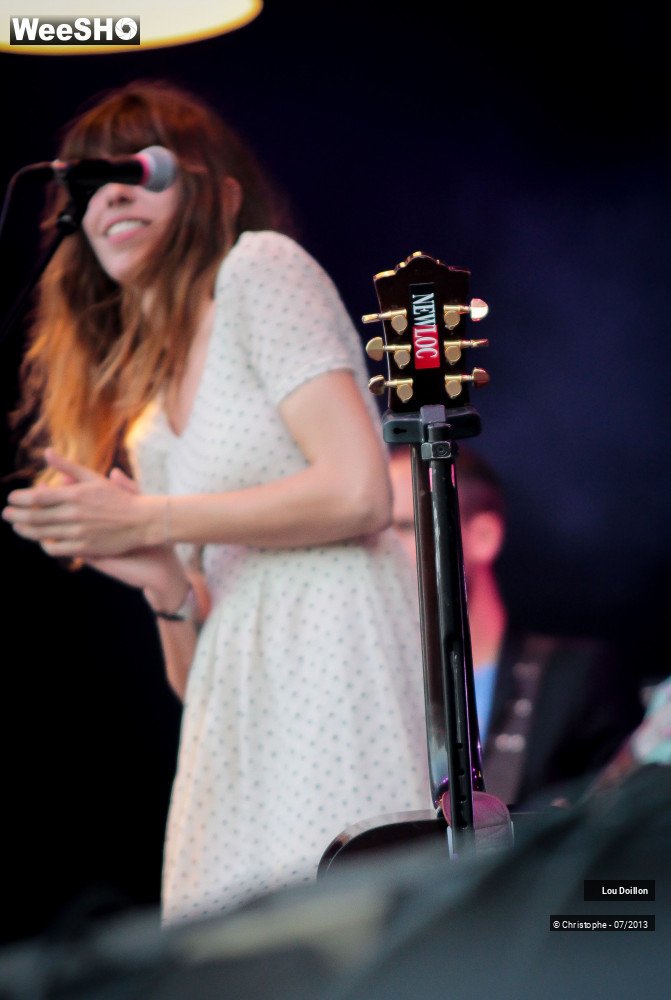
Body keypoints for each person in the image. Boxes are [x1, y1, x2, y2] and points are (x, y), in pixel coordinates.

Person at [2, 80, 431, 925]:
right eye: (87, 183)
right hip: (232, 725)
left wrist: (151, 520)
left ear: (219, 192)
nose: (112, 192)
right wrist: (162, 580)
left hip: (333, 663)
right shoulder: (148, 410)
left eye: (137, 169)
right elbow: (194, 672)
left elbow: (357, 491)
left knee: (345, 942)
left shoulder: (258, 269)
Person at [388, 444, 644, 809]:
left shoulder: (577, 677)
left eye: (404, 527)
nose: (384, 553)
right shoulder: (365, 685)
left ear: (483, 537)